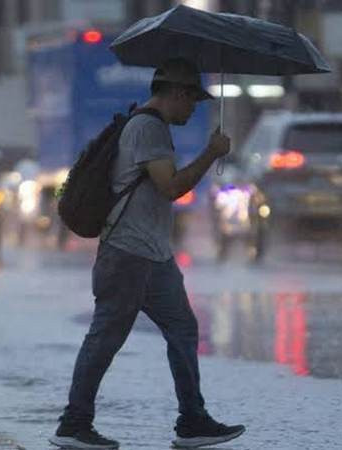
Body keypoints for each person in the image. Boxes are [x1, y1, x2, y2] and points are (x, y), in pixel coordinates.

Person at [49, 58, 245, 449]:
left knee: (183, 329)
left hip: (153, 256)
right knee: (106, 337)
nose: (194, 108)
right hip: (127, 254)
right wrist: (210, 153)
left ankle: (192, 421)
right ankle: (74, 424)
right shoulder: (147, 128)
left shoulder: (149, 127)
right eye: (192, 100)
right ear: (176, 93)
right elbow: (171, 187)